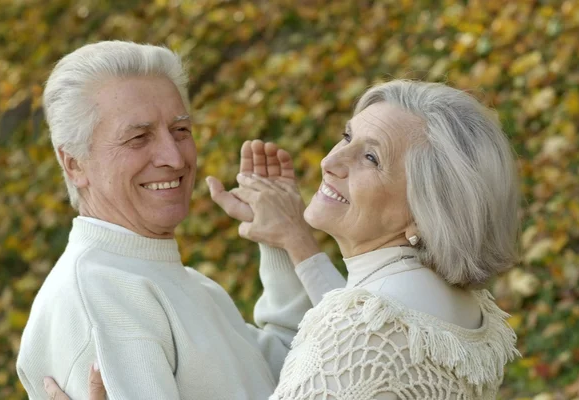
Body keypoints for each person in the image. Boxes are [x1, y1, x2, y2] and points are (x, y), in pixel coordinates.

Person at [44, 79, 521, 398]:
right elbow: (370, 333)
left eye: (371, 158)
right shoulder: (456, 310)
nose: (331, 161)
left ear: (427, 206)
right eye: (346, 135)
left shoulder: (356, 332)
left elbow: (354, 341)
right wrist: (293, 239)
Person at [17, 40, 345, 400]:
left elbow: (298, 377)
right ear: (74, 164)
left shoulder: (189, 285)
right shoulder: (101, 296)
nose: (174, 157)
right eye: (139, 137)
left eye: (181, 131)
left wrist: (281, 241)